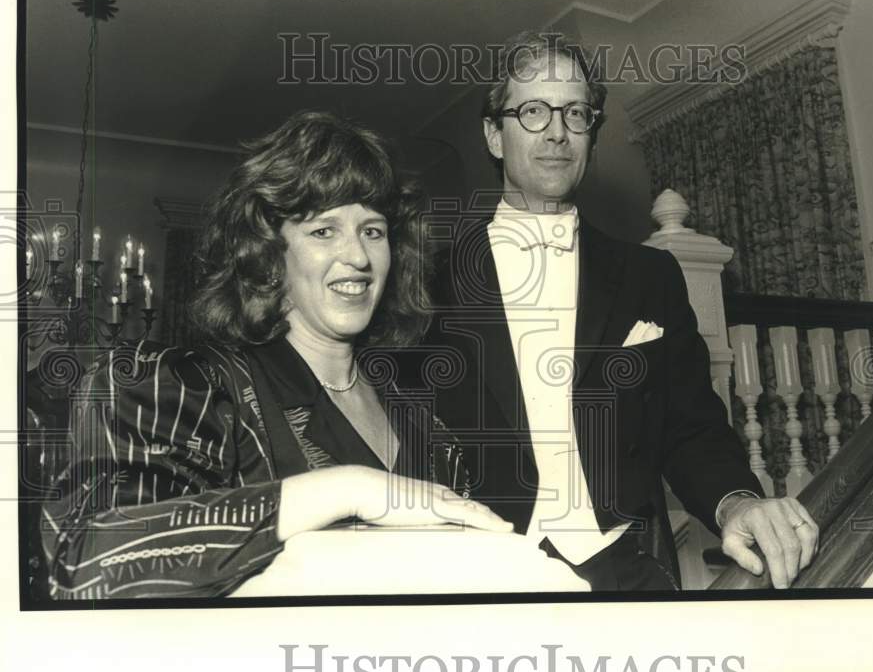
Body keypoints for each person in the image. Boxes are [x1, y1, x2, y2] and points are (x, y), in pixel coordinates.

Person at [41, 110, 511, 600]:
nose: (358, 256)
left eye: (373, 230)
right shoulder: (176, 384)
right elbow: (87, 561)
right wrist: (347, 489)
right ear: (267, 251)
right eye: (323, 231)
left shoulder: (427, 427)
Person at [427, 31, 819, 591]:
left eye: (576, 114)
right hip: (483, 578)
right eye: (533, 112)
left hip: (626, 569)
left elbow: (692, 425)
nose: (557, 133)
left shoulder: (649, 276)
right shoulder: (427, 285)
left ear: (592, 134)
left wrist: (736, 503)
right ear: (494, 134)